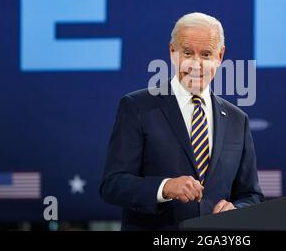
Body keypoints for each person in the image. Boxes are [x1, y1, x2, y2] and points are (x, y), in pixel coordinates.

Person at [100, 12, 264, 230]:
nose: (196, 65)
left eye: (206, 54)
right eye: (187, 53)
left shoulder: (237, 120)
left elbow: (251, 194)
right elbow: (112, 184)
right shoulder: (137, 107)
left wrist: (237, 208)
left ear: (220, 56)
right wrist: (164, 187)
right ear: (172, 52)